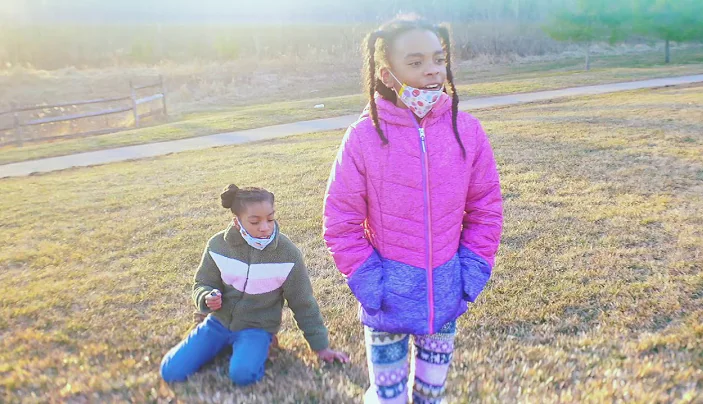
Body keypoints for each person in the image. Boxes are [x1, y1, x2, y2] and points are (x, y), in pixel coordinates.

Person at [323, 15, 503, 404]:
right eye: (416, 62)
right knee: (387, 397)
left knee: (430, 397)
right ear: (389, 74)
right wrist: (373, 285)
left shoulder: (467, 131)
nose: (432, 70)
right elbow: (341, 223)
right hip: (385, 300)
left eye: (438, 58)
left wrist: (468, 275)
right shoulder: (364, 136)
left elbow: (486, 209)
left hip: (446, 293)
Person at [161, 185, 348, 386]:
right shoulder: (217, 246)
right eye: (254, 221)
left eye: (270, 218)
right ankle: (225, 345)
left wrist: (321, 347)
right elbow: (202, 283)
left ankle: (264, 345)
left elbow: (303, 303)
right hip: (218, 323)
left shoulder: (288, 255)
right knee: (170, 371)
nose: (265, 227)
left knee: (242, 375)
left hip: (257, 328)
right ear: (237, 222)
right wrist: (206, 297)